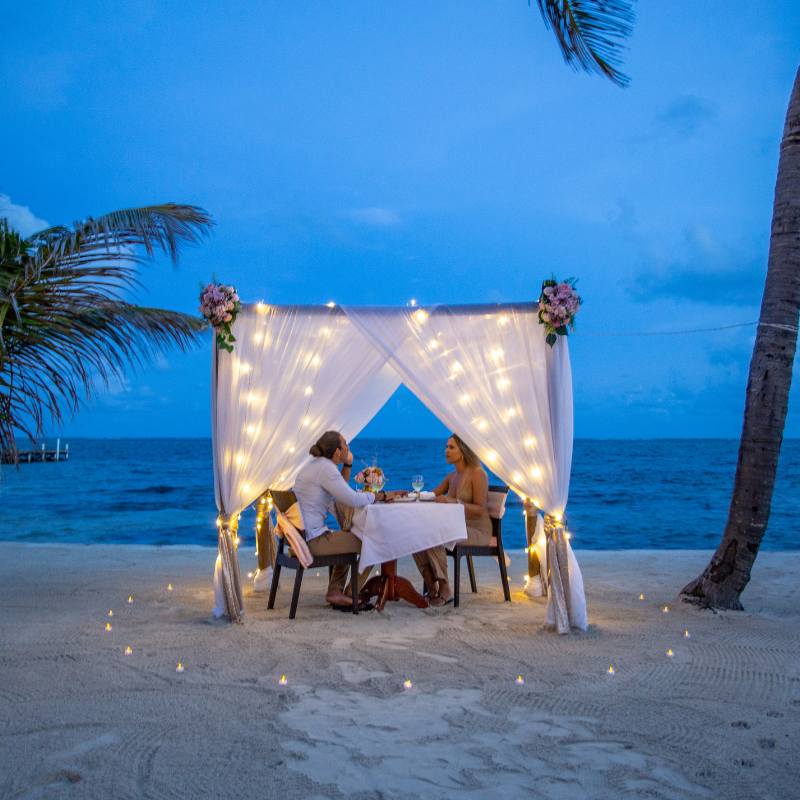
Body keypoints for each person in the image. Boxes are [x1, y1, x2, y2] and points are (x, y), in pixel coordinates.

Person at [293, 430, 407, 608]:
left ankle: (336, 591)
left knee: (349, 534)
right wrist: (383, 495)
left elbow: (341, 493)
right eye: (345, 444)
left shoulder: (318, 465)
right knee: (373, 543)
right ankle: (350, 593)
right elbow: (352, 499)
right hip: (312, 540)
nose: (348, 446)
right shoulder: (325, 469)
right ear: (337, 451)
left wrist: (348, 464)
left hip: (300, 537)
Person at [413, 433, 492, 606]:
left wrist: (454, 501)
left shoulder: (478, 474)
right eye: (447, 447)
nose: (446, 450)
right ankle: (432, 588)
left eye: (451, 447)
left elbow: (480, 509)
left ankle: (445, 588)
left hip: (478, 530)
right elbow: (431, 495)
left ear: (463, 451)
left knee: (436, 535)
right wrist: (407, 496)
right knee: (416, 536)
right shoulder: (452, 476)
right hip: (456, 527)